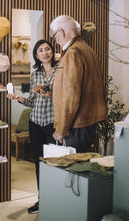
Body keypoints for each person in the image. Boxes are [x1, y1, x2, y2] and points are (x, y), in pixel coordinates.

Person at [7, 39, 57, 214]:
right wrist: (18, 98)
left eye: (48, 49)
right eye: (41, 50)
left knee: (54, 163)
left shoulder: (61, 71)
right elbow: (31, 101)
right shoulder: (35, 73)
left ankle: (55, 199)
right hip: (35, 123)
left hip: (53, 124)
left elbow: (66, 99)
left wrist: (51, 95)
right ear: (36, 55)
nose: (45, 53)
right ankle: (41, 199)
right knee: (39, 163)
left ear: (52, 51)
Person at [49, 15, 107, 152]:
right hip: (86, 122)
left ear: (61, 32)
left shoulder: (72, 53)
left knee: (72, 169)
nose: (56, 41)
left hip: (75, 125)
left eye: (54, 37)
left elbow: (71, 96)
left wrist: (61, 129)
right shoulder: (87, 49)